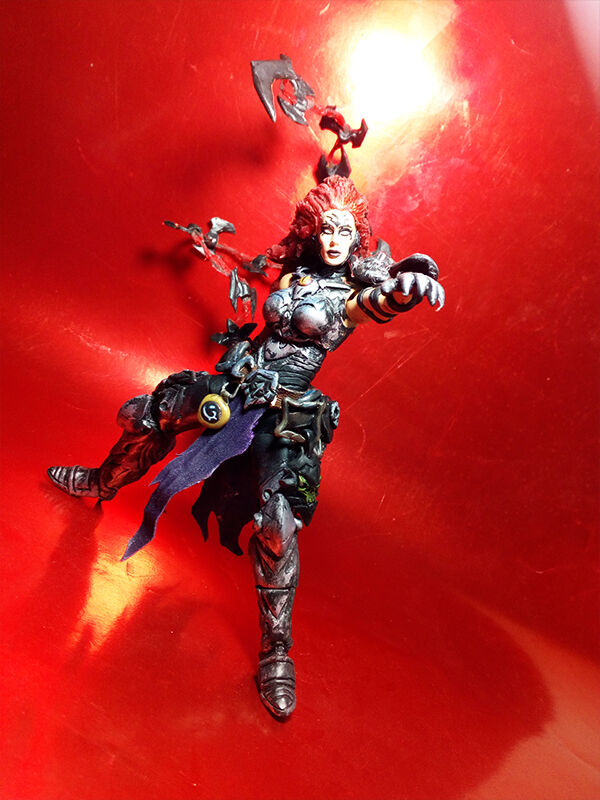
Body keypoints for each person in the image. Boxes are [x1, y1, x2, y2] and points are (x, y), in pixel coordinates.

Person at [48, 175, 444, 719]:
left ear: (358, 238)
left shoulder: (349, 296)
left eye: (344, 231)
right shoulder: (295, 270)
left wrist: (405, 289)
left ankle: (276, 651)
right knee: (143, 414)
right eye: (326, 229)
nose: (334, 239)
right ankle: (101, 482)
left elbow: (378, 303)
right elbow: (254, 267)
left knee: (277, 524)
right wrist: (210, 248)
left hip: (284, 411)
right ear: (313, 231)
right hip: (237, 386)